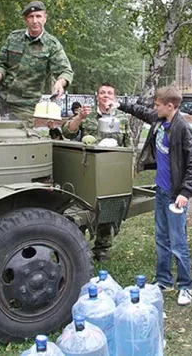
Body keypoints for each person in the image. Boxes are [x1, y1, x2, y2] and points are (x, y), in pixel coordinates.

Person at [116, 86, 192, 306]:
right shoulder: (159, 120)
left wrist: (184, 193)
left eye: (157, 104)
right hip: (161, 191)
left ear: (169, 106)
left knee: (178, 242)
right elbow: (142, 112)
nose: (154, 108)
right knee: (161, 238)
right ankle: (164, 281)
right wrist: (120, 104)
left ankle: (185, 286)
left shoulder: (182, 128)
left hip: (175, 196)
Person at [62, 83, 133, 261]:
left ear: (114, 97)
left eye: (109, 93)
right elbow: (67, 132)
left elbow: (129, 144)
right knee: (81, 207)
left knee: (109, 208)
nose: (106, 95)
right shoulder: (87, 115)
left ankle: (102, 249)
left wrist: (129, 168)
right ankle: (76, 247)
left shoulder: (122, 118)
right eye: (102, 92)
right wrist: (79, 117)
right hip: (88, 169)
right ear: (97, 96)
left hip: (113, 171)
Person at [0, 1, 74, 124]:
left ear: (45, 18)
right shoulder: (14, 38)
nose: (35, 21)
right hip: (0, 94)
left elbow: (65, 71)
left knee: (20, 136)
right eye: (31, 17)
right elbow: (0, 63)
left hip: (25, 103)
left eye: (38, 16)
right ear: (25, 20)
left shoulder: (52, 45)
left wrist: (60, 83)